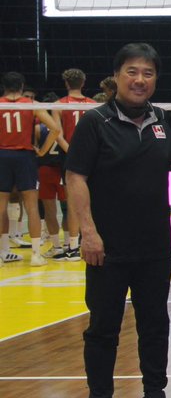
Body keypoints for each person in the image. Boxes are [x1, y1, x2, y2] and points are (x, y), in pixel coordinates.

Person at [66, 44, 171, 398]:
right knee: (102, 328)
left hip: (154, 247)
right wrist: (88, 232)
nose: (140, 80)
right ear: (116, 76)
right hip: (106, 249)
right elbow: (76, 177)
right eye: (132, 72)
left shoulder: (164, 120)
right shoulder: (95, 122)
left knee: (155, 324)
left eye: (148, 73)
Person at [0, 72, 61, 266]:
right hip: (24, 156)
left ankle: (2, 252)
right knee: (32, 206)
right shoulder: (31, 105)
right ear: (21, 85)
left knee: (0, 206)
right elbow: (55, 129)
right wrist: (42, 151)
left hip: (2, 155)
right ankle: (36, 254)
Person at [51, 68, 97, 261]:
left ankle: (73, 245)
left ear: (66, 84)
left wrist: (73, 153)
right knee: (95, 199)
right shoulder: (94, 104)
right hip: (94, 156)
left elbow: (57, 133)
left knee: (73, 201)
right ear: (83, 83)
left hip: (70, 157)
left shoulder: (58, 105)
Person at [35, 92, 66, 258]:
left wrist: (39, 152)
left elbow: (32, 147)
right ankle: (70, 243)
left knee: (49, 211)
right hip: (61, 169)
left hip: (45, 170)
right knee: (69, 210)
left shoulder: (39, 129)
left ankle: (56, 246)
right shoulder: (64, 127)